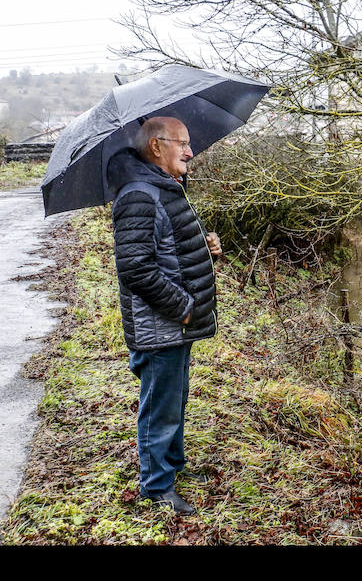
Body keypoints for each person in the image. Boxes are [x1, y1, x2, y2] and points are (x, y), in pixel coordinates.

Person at [106, 116, 222, 516]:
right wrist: (184, 309)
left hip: (174, 324)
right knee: (160, 406)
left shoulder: (163, 188)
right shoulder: (140, 194)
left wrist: (204, 246)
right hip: (163, 325)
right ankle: (156, 487)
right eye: (182, 143)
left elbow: (167, 249)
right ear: (157, 147)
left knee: (174, 399)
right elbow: (136, 268)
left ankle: (172, 467)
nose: (190, 151)